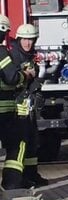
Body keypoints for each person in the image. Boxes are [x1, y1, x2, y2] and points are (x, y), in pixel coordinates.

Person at [0, 15, 35, 189]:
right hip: (4, 110)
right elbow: (11, 78)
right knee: (17, 145)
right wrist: (25, 75)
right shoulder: (1, 52)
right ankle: (11, 187)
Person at [10, 23, 46, 187]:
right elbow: (12, 78)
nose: (28, 43)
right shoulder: (13, 56)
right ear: (19, 39)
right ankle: (19, 178)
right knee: (21, 141)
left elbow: (37, 72)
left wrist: (36, 88)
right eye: (25, 39)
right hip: (17, 105)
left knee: (32, 140)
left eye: (31, 40)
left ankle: (32, 174)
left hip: (29, 102)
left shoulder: (33, 55)